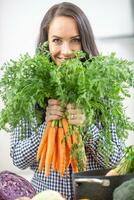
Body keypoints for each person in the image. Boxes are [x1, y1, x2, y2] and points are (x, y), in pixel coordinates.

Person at [10, 2, 123, 200]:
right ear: (46, 44)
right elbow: (19, 159)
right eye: (56, 40)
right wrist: (46, 127)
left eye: (75, 40)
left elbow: (115, 159)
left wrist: (87, 126)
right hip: (46, 196)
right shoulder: (30, 90)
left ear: (84, 41)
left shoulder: (102, 88)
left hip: (94, 195)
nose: (67, 50)